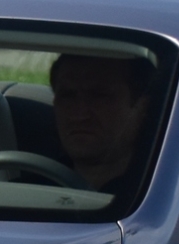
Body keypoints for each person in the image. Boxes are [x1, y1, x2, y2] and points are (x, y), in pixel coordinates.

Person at [49, 52, 156, 193]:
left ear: (141, 107)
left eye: (99, 96)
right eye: (67, 95)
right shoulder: (28, 191)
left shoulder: (161, 193)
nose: (79, 114)